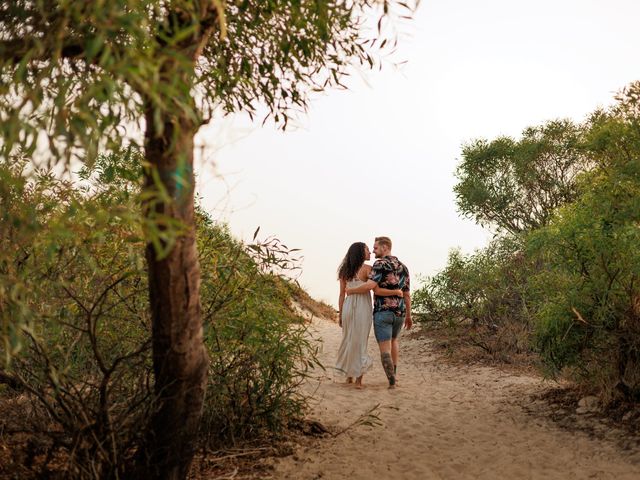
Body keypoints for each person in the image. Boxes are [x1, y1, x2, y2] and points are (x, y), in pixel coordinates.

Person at [346, 236, 411, 389]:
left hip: (383, 312)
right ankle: (394, 375)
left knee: (385, 349)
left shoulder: (379, 264)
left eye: (375, 248)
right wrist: (409, 314)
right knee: (394, 341)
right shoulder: (404, 267)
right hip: (400, 313)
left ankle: (391, 381)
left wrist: (351, 290)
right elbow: (407, 294)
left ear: (384, 248)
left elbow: (370, 285)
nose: (373, 251)